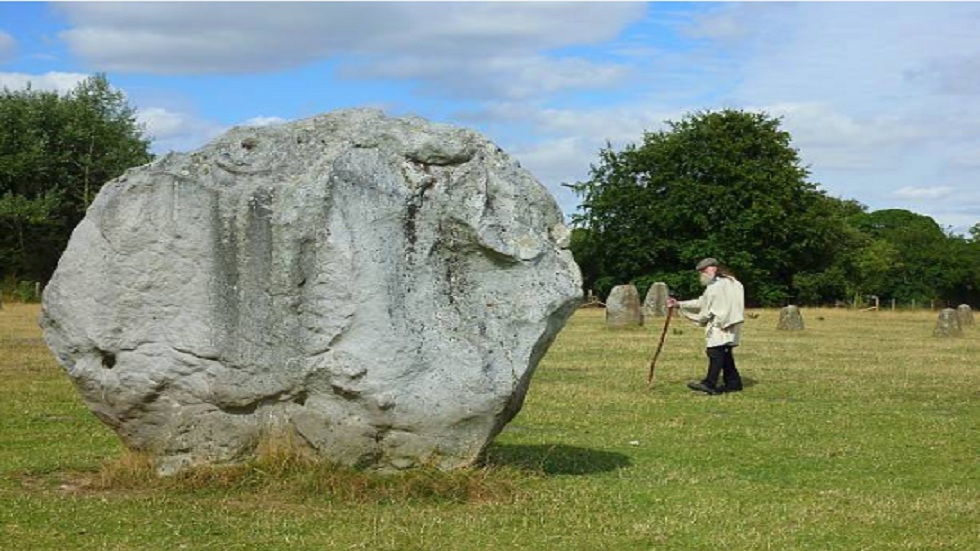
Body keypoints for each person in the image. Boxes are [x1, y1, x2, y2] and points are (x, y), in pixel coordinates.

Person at [666, 258, 745, 395]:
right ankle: (734, 383)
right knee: (725, 353)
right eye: (701, 271)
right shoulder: (734, 282)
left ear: (714, 268)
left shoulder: (716, 287)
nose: (702, 274)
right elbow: (703, 301)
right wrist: (680, 304)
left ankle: (709, 383)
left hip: (720, 324)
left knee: (714, 352)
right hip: (733, 322)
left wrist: (691, 315)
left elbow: (706, 309)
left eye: (704, 270)